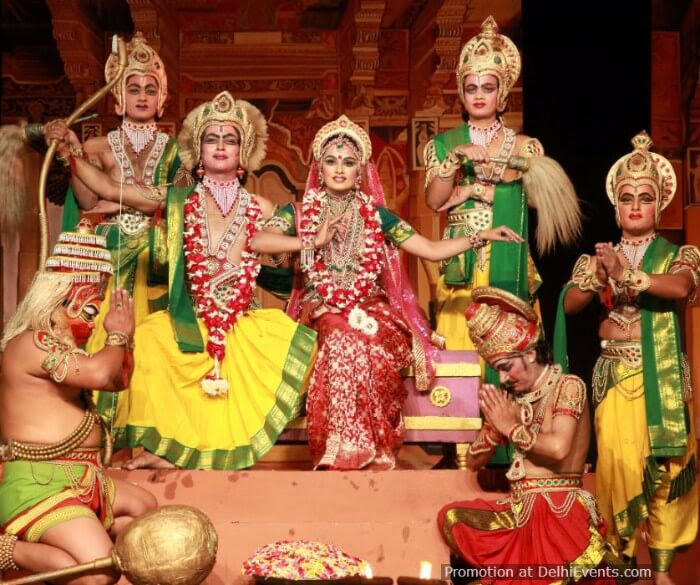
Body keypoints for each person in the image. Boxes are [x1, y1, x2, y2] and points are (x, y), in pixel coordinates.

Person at [59, 91, 317, 470]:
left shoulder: (260, 207)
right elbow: (112, 190)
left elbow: (285, 259)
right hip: (189, 317)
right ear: (198, 150)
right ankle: (164, 449)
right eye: (211, 138)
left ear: (244, 151)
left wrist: (299, 245)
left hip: (241, 320)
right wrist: (69, 154)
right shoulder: (177, 199)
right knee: (148, 340)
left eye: (230, 139)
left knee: (302, 348)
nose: (220, 146)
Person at [252, 115, 523, 470]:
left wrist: (480, 236)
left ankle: (374, 445)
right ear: (320, 167)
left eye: (348, 162)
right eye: (331, 161)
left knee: (370, 341)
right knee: (341, 336)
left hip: (371, 308)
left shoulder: (377, 216)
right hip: (321, 307)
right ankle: (342, 450)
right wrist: (311, 241)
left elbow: (429, 249)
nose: (339, 169)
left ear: (360, 171)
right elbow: (258, 241)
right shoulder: (299, 213)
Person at [560, 131, 698, 585]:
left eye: (645, 197)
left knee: (668, 470)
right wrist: (600, 276)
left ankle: (661, 572)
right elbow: (570, 304)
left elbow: (680, 288)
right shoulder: (600, 257)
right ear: (616, 207)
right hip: (616, 375)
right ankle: (622, 565)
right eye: (626, 198)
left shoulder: (679, 255)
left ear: (659, 205)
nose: (635, 205)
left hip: (663, 375)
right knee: (617, 467)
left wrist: (630, 275)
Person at [42, 32, 187, 439]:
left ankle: (148, 431)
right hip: (107, 253)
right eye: (133, 88)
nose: (142, 96)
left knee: (156, 338)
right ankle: (99, 432)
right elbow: (88, 200)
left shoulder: (178, 151)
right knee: (97, 330)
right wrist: (72, 154)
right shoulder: (98, 145)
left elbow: (173, 202)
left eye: (150, 89)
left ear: (162, 99)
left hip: (155, 256)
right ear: (118, 98)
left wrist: (116, 196)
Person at [0, 220, 156, 583]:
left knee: (147, 513)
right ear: (58, 303)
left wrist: (125, 337)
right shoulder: (31, 343)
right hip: (40, 483)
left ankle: (72, 549)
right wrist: (116, 334)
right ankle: (10, 551)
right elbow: (100, 374)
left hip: (85, 479)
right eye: (89, 312)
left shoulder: (66, 352)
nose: (93, 324)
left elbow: (116, 380)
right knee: (100, 573)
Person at [437, 287, 620, 585]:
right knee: (453, 517)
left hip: (559, 509)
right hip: (520, 509)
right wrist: (494, 429)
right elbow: (473, 461)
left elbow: (558, 448)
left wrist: (511, 427)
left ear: (531, 354)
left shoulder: (568, 386)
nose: (504, 378)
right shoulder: (514, 401)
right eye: (498, 370)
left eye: (506, 368)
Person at [423, 16, 581, 352]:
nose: (479, 95)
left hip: (508, 252)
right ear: (462, 94)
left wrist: (477, 190)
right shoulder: (444, 144)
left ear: (502, 93)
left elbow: (540, 202)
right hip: (462, 259)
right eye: (471, 88)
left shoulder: (524, 146)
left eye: (488, 87)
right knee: (460, 352)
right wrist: (454, 159)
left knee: (511, 351)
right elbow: (434, 201)